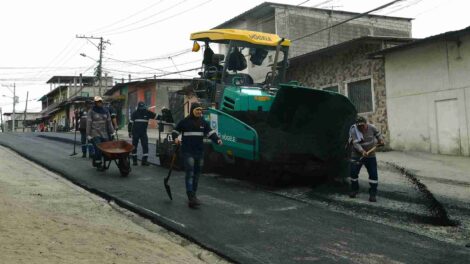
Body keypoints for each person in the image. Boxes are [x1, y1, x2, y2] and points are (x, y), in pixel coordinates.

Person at [172, 102, 222, 209]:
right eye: (197, 110)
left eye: (200, 110)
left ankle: (193, 195)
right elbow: (175, 131)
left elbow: (210, 133)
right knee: (190, 173)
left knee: (197, 174)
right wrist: (175, 138)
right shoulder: (185, 122)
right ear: (192, 110)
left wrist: (217, 139)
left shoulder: (203, 122)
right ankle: (191, 196)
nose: (199, 112)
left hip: (199, 152)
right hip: (187, 152)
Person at [349, 116, 384, 202]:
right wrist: (362, 151)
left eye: (362, 125)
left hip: (370, 155)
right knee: (353, 173)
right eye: (359, 126)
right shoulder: (354, 131)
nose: (361, 127)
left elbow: (378, 134)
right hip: (357, 155)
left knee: (373, 175)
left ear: (366, 124)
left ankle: (372, 194)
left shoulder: (372, 127)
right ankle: (354, 189)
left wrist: (381, 140)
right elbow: (356, 144)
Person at [86, 96, 115, 171]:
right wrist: (88, 134)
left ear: (102, 102)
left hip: (104, 133)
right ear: (95, 103)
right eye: (97, 102)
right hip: (95, 133)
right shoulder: (91, 111)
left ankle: (103, 163)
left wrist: (112, 132)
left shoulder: (106, 111)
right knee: (98, 148)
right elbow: (89, 123)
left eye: (100, 102)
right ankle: (98, 164)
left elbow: (109, 122)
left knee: (106, 149)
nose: (99, 103)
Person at [128, 101, 156, 166]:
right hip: (135, 133)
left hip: (143, 133)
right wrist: (129, 132)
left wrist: (165, 116)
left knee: (145, 146)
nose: (142, 110)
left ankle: (144, 161)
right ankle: (135, 161)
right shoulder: (134, 113)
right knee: (134, 147)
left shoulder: (148, 113)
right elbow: (130, 123)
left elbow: (156, 116)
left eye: (143, 108)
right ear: (138, 108)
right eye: (141, 108)